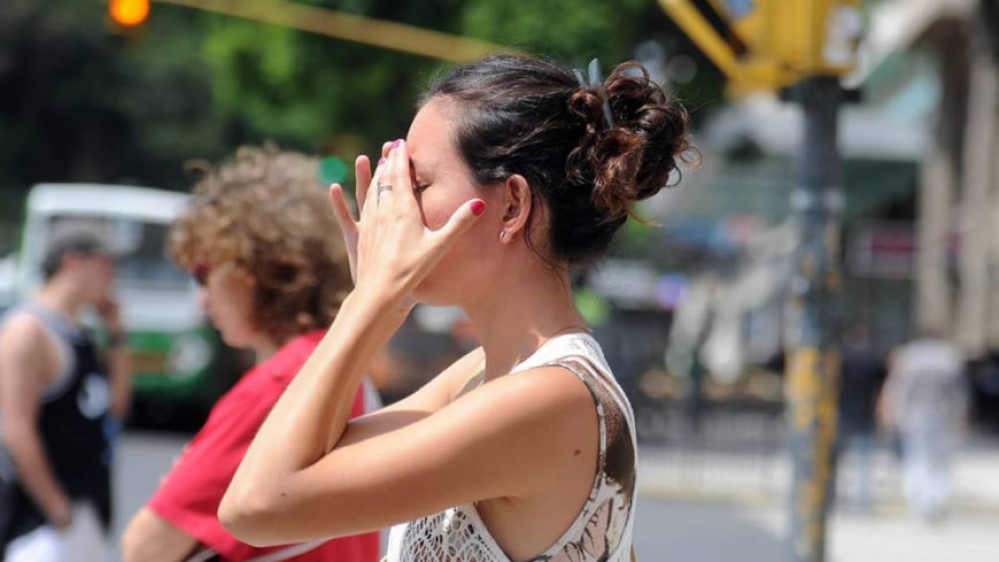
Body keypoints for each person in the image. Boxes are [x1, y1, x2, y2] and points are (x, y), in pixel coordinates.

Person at [218, 54, 692, 562]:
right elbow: (312, 460)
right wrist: (379, 300)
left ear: (512, 205)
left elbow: (257, 507)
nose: (392, 208)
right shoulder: (482, 375)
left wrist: (371, 301)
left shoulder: (552, 398)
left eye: (417, 185)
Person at [120, 146, 381, 562]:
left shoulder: (280, 385)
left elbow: (146, 548)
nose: (202, 298)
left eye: (204, 273)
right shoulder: (340, 365)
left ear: (257, 267)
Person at [0, 228, 131, 561]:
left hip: (85, 505)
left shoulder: (80, 331)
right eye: (107, 266)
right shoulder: (28, 331)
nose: (113, 278)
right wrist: (57, 509)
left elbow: (115, 405)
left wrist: (116, 336)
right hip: (40, 522)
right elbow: (15, 428)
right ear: (74, 262)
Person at [879, 329, 968, 521]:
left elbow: (897, 389)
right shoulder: (949, 358)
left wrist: (892, 414)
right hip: (941, 417)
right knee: (939, 461)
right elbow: (959, 393)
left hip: (914, 417)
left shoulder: (910, 356)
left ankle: (920, 502)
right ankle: (934, 501)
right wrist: (961, 417)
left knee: (917, 458)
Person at [835, 323, 886, 512]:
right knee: (864, 461)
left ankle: (834, 499)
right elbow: (881, 387)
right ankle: (863, 503)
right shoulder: (873, 359)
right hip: (865, 412)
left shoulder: (842, 357)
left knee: (837, 460)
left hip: (844, 411)